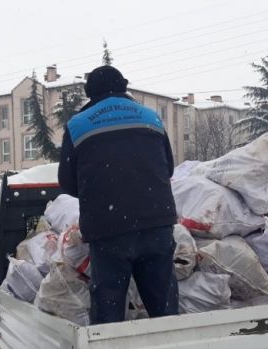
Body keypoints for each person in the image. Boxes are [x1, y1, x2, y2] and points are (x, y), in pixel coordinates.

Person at [58, 65, 178, 324]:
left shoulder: (78, 125)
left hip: (108, 230)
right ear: (124, 86)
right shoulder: (151, 118)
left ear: (90, 92)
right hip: (156, 224)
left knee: (108, 312)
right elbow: (168, 167)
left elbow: (67, 183)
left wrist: (101, 194)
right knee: (165, 310)